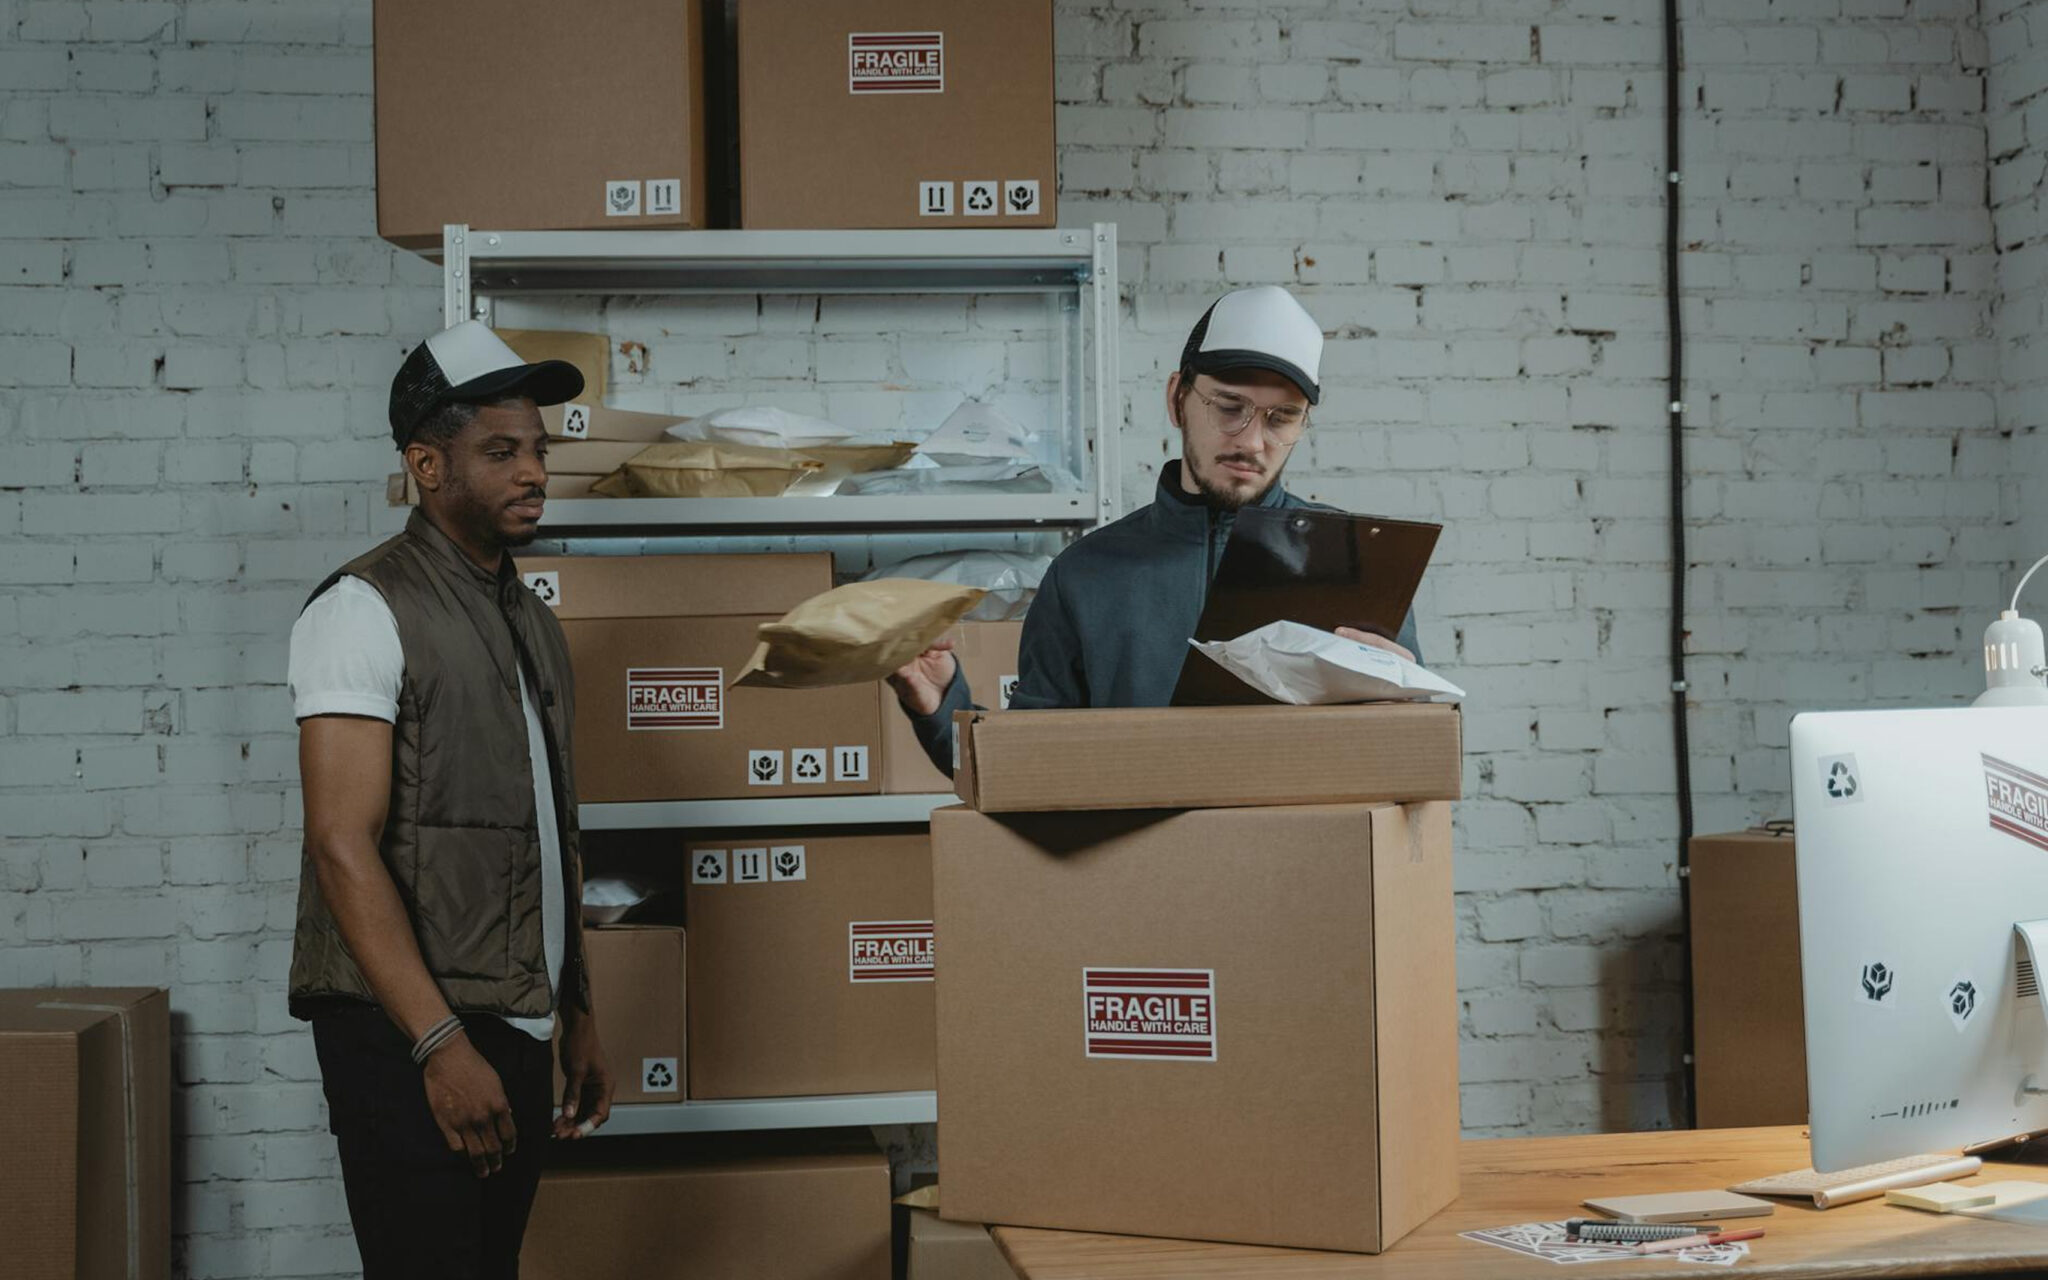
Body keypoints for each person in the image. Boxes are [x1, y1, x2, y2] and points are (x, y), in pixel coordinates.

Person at [286, 321, 614, 1279]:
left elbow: (551, 830)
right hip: (408, 1037)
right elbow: (340, 844)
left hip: (513, 1020)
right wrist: (437, 1045)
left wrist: (577, 1008)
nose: (533, 473)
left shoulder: (532, 622)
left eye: (540, 450)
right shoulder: (363, 608)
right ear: (428, 464)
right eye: (500, 451)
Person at [891, 286, 1421, 769]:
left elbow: (1407, 770)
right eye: (1230, 407)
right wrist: (942, 703)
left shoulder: (1354, 565)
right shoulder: (1085, 575)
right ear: (1176, 399)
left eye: (1281, 418)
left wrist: (1405, 709)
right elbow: (1031, 770)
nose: (1252, 441)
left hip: (1300, 870)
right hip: (1143, 873)